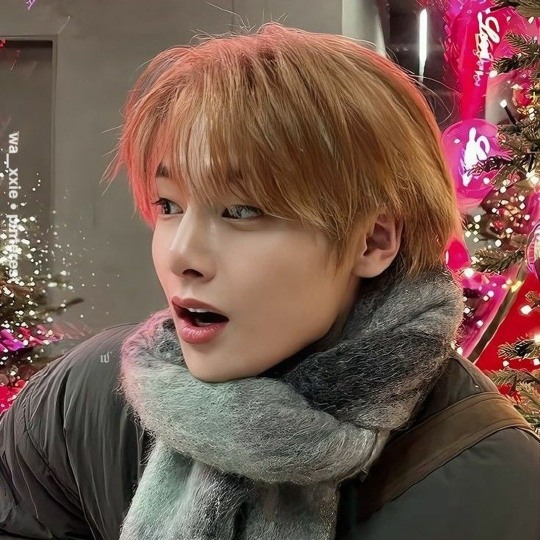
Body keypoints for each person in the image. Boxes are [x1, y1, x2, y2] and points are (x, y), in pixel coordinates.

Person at [0, 23, 539, 540]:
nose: (181, 254)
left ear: (373, 242)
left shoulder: (498, 486)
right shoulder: (84, 404)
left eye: (241, 211)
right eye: (168, 205)